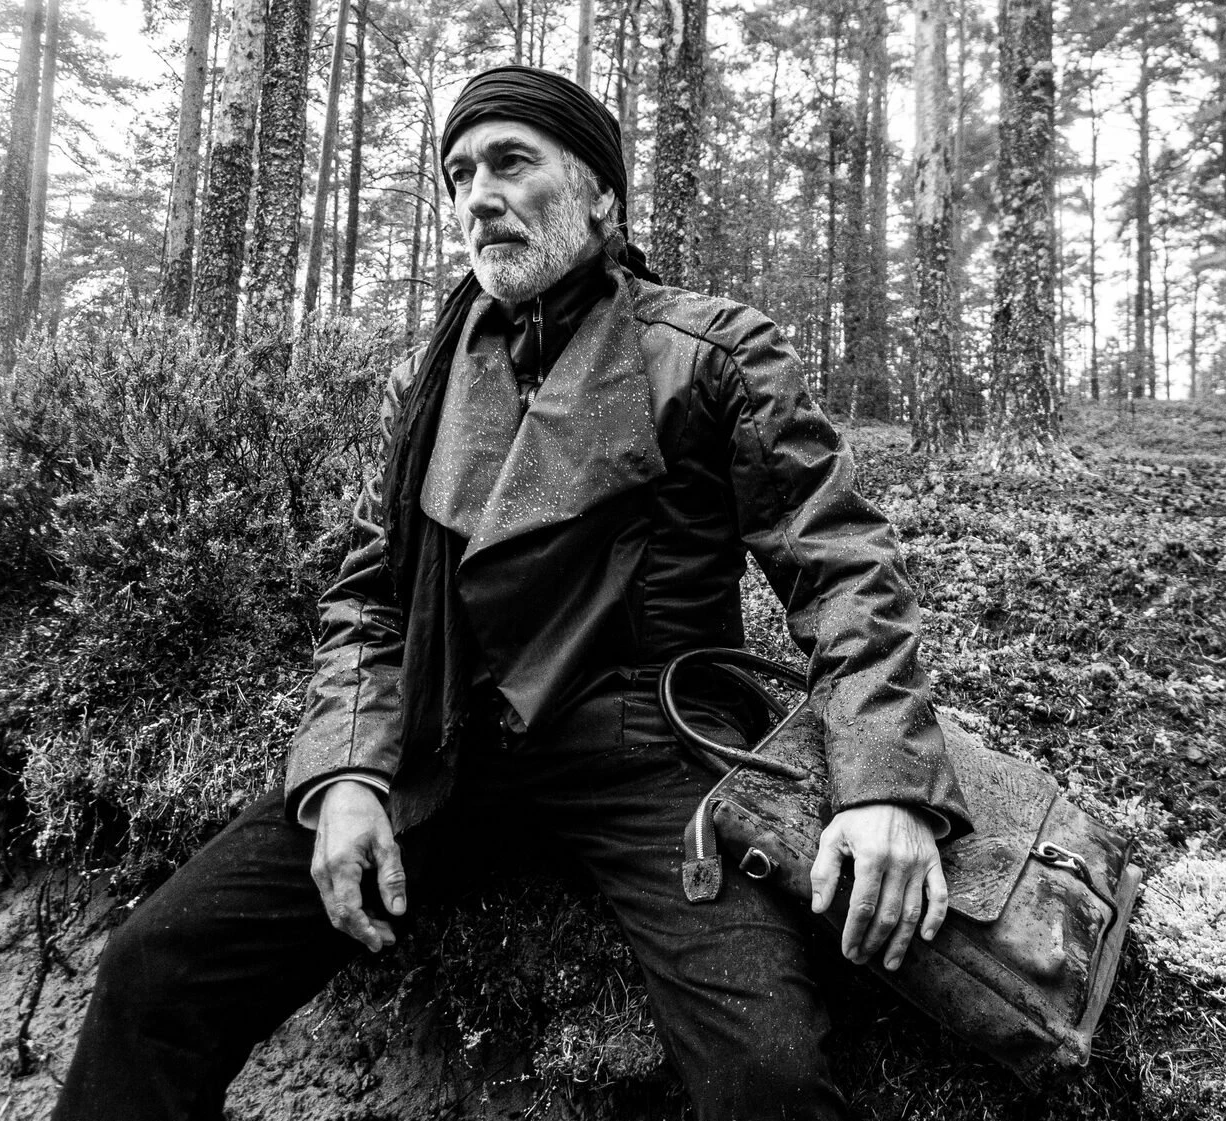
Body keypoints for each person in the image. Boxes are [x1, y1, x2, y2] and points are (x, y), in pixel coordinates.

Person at [53, 65, 969, 1121]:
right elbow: (374, 592)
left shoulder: (712, 351)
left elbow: (841, 561)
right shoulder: (435, 375)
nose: (477, 196)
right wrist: (346, 773)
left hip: (651, 753)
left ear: (602, 195)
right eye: (458, 174)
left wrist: (883, 785)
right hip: (451, 743)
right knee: (154, 968)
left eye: (510, 162)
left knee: (767, 1076)